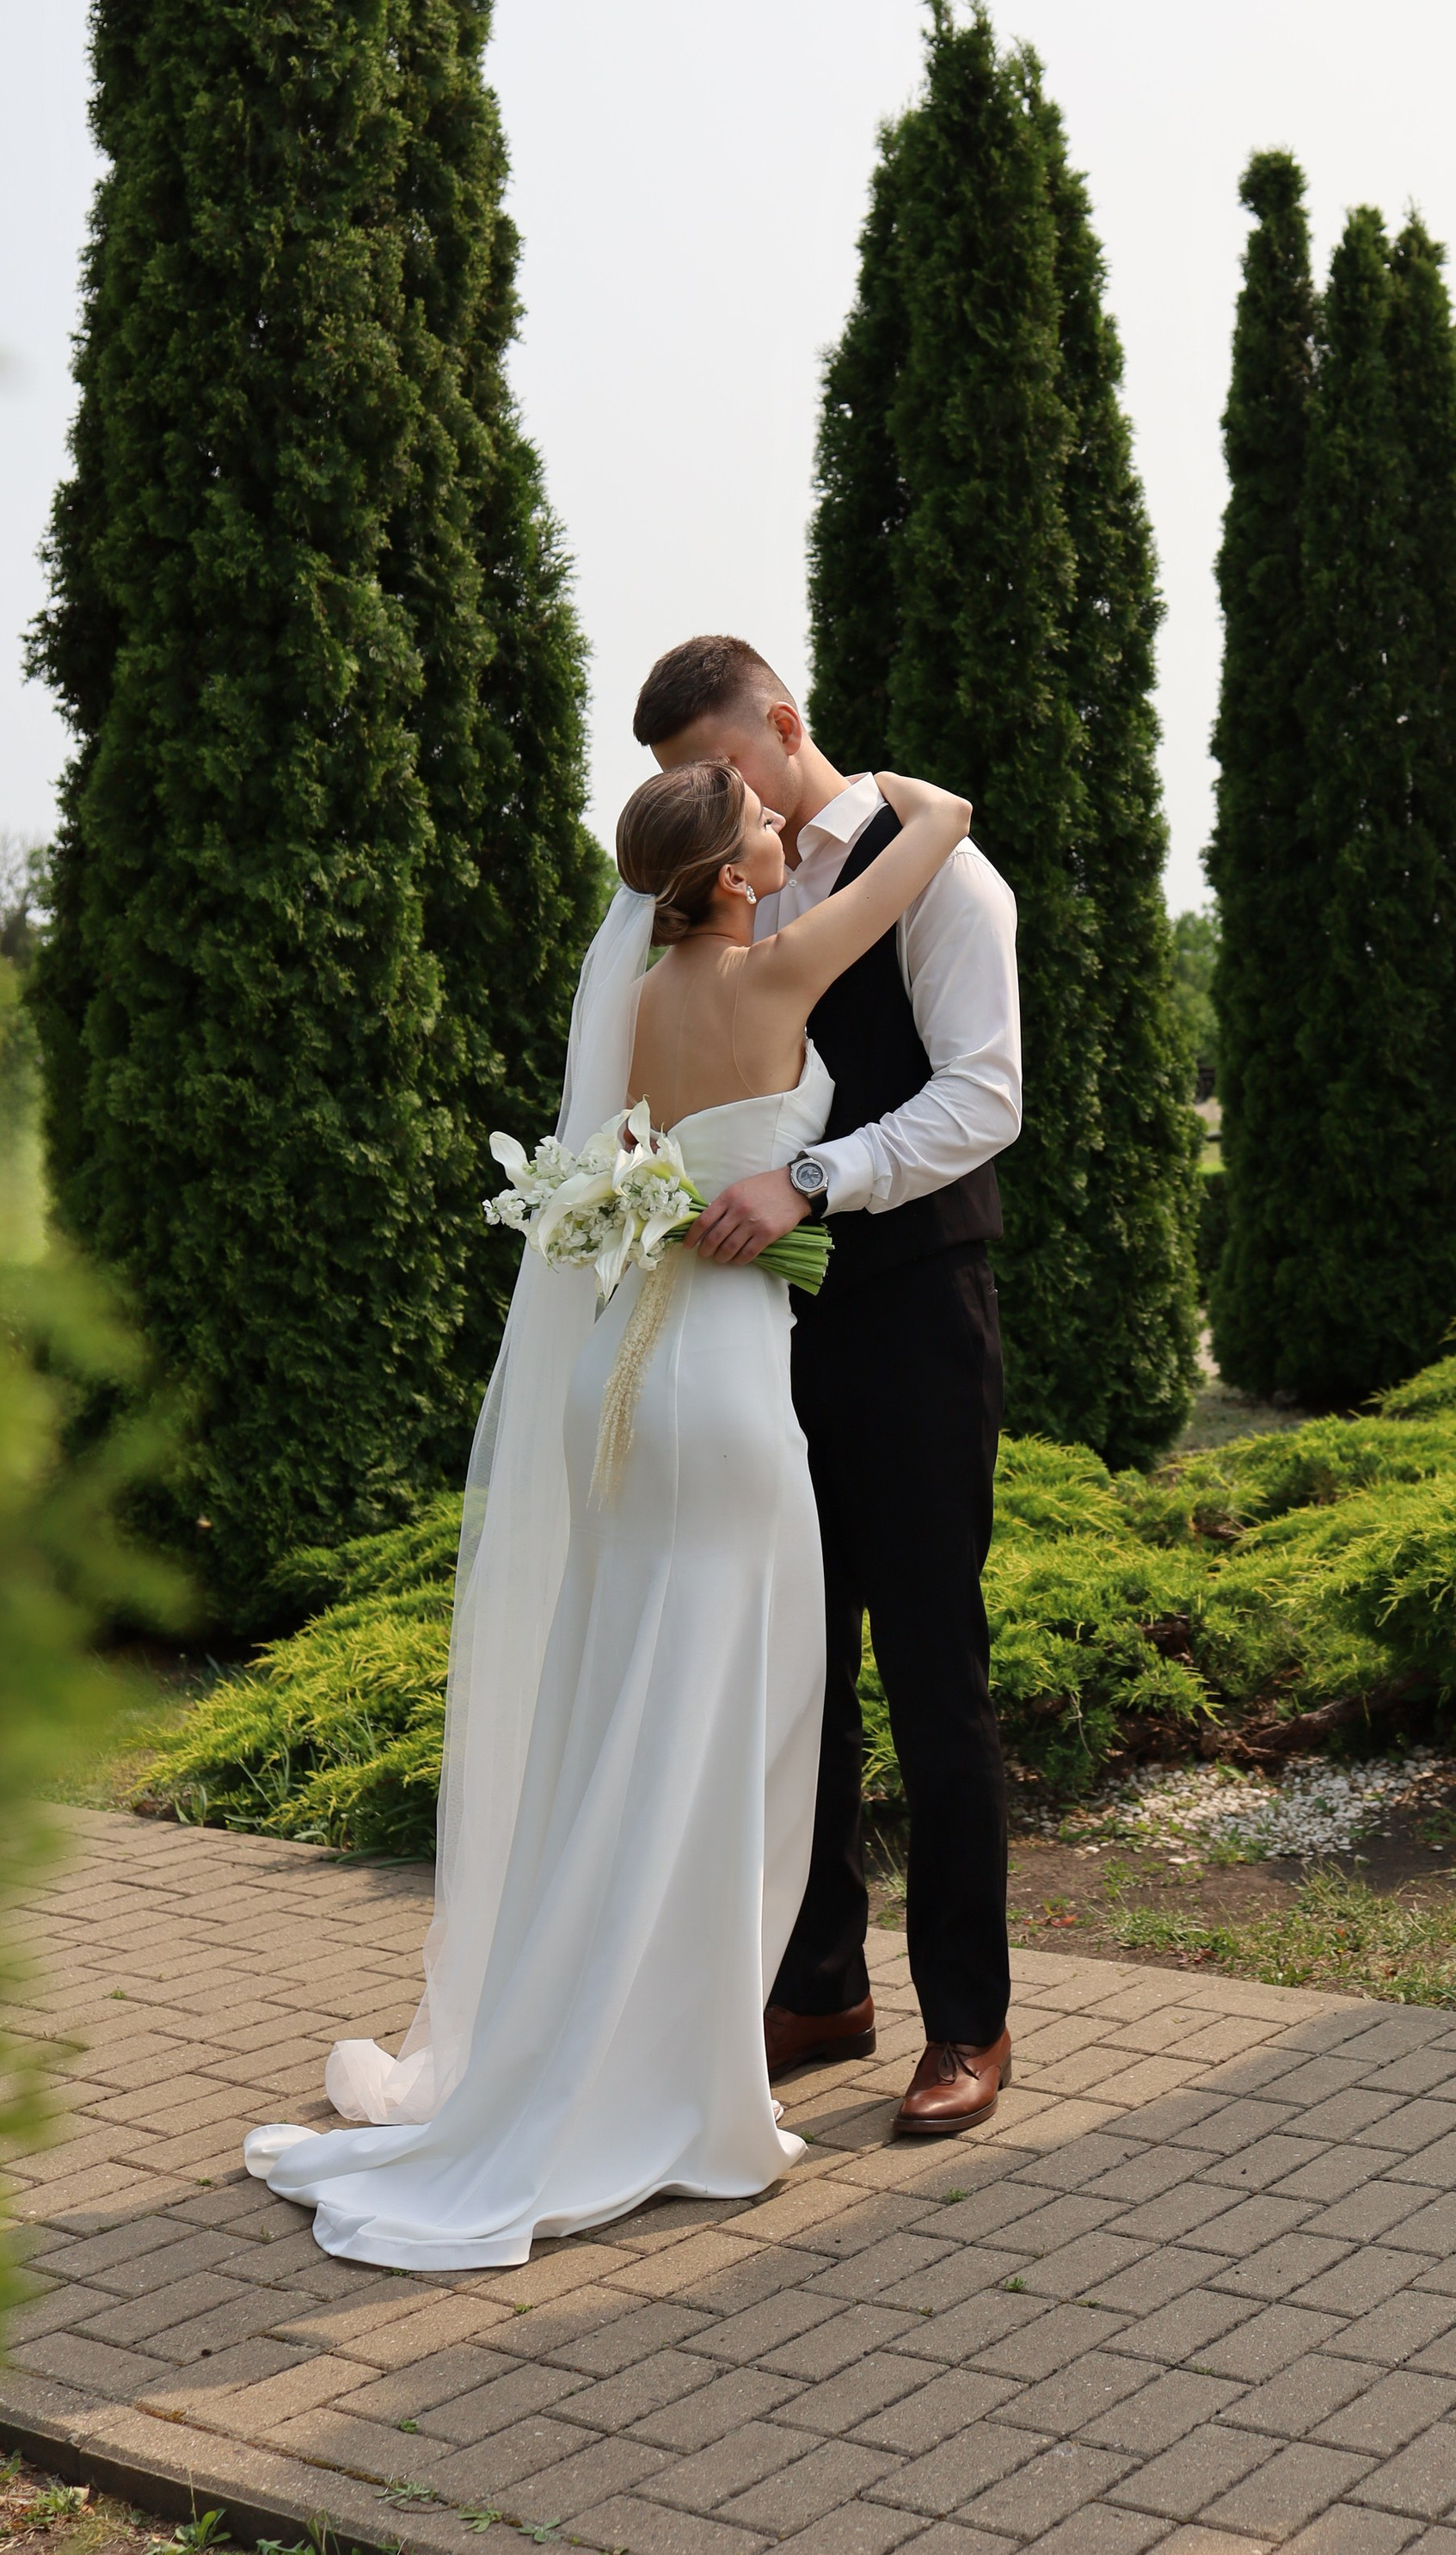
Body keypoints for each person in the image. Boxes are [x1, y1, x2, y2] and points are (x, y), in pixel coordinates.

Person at [242, 758, 970, 2269]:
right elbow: (941, 829)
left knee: (624, 1714)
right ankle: (660, 2085)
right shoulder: (780, 970)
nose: (781, 827)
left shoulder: (628, 1004)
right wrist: (877, 781)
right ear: (726, 879)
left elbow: (637, 1180)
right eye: (759, 825)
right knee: (718, 1730)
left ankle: (605, 2049)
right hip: (718, 1395)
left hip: (619, 1384)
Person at [636, 632, 1021, 2139]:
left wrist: (810, 1179)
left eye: (718, 772)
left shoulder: (946, 877)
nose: (710, 813)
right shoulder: (733, 899)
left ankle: (968, 2020)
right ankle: (820, 1983)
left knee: (932, 1668)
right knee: (794, 1666)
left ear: (782, 725)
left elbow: (982, 1096)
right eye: (683, 791)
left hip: (914, 1313)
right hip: (759, 1332)